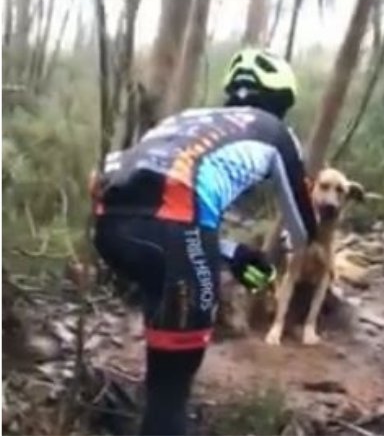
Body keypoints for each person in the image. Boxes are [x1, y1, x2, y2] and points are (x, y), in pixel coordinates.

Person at [89, 48, 318, 435]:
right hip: (174, 238)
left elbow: (151, 199)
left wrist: (230, 252)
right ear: (281, 101)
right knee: (171, 393)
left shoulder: (185, 119)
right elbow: (303, 231)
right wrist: (273, 256)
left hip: (111, 228)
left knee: (164, 370)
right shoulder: (275, 131)